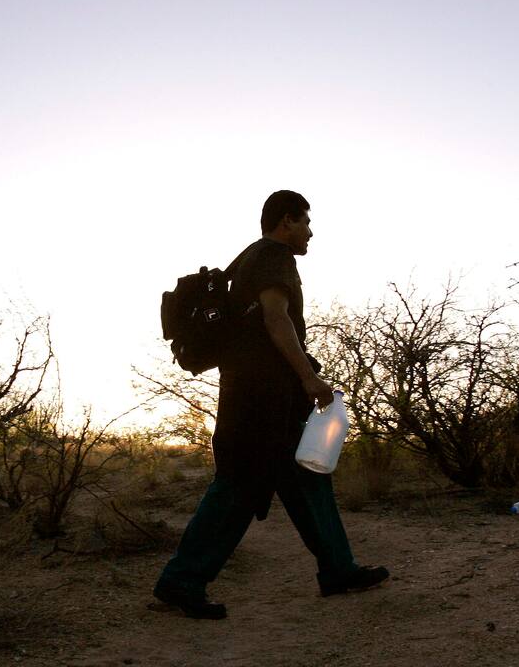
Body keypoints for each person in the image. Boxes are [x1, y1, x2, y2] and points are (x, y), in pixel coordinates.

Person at [153, 190, 388, 619]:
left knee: (307, 477)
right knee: (238, 486)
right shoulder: (273, 257)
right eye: (306, 222)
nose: (310, 232)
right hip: (259, 400)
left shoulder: (250, 258)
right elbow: (275, 318)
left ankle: (338, 569)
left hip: (267, 397)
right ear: (286, 221)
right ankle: (182, 580)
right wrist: (309, 376)